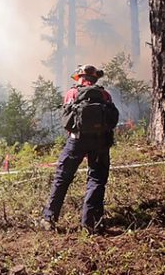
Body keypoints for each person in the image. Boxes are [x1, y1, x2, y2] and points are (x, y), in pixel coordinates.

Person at [40, 65, 119, 234]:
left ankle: (49, 219)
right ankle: (91, 224)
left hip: (76, 141)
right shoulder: (104, 94)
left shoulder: (72, 93)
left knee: (62, 178)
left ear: (79, 77)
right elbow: (111, 120)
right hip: (100, 142)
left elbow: (67, 121)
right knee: (96, 180)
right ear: (95, 78)